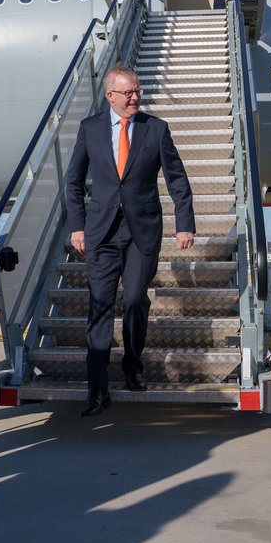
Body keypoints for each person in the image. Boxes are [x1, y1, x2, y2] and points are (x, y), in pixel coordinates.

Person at [64, 65, 196, 416]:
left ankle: (132, 365)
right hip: (101, 232)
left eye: (138, 91)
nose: (136, 97)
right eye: (129, 93)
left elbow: (177, 180)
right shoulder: (89, 129)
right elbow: (73, 183)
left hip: (141, 231)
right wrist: (77, 226)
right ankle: (97, 387)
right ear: (111, 96)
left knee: (136, 299)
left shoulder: (156, 129)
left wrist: (185, 224)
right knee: (100, 305)